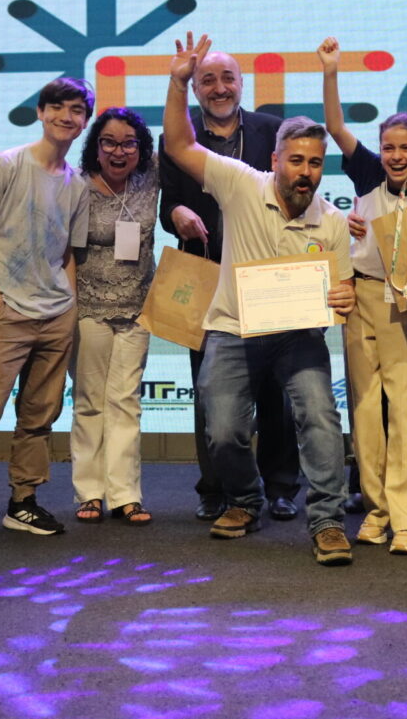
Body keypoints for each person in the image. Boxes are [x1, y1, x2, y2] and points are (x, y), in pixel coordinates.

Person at [162, 32, 357, 567]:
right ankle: (245, 500)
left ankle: (327, 521)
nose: (304, 172)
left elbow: (342, 292)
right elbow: (178, 146)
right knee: (223, 430)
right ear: (276, 159)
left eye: (314, 163)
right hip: (231, 330)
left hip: (297, 337)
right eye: (295, 160)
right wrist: (178, 83)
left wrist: (343, 296)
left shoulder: (332, 222)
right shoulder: (241, 184)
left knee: (320, 418)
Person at [0, 77, 93, 550]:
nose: (67, 117)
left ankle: (23, 502)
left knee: (39, 416)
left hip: (56, 316)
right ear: (41, 112)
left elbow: (69, 252)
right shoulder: (5, 166)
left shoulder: (77, 184)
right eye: (58, 107)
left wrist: (69, 306)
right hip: (6, 312)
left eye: (77, 110)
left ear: (84, 121)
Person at [157, 50, 302, 523]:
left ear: (242, 83)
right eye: (207, 80)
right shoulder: (178, 136)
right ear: (196, 89)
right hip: (205, 276)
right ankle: (215, 486)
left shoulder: (271, 131)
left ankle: (280, 486)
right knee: (209, 389)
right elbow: (167, 205)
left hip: (267, 276)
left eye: (227, 78)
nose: (219, 88)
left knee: (276, 389)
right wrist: (176, 212)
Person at [318, 36, 407, 555]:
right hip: (360, 296)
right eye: (389, 147)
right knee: (365, 408)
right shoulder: (368, 174)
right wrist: (331, 71)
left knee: (405, 409)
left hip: (406, 303)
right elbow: (336, 127)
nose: (396, 156)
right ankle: (377, 509)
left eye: (406, 148)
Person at [69, 108, 158, 526]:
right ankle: (89, 492)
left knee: (126, 401)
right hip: (87, 308)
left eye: (128, 143)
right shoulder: (75, 186)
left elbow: (181, 141)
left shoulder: (150, 179)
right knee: (90, 401)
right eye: (109, 142)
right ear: (95, 146)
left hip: (138, 309)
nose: (118, 152)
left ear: (141, 149)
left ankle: (125, 495)